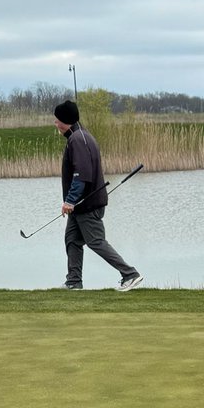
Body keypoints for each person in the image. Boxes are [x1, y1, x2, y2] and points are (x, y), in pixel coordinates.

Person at [52, 100, 143, 291]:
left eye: (57, 120)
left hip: (87, 204)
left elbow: (81, 175)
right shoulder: (80, 137)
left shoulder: (77, 139)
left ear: (65, 121)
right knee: (72, 240)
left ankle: (130, 274)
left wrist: (70, 200)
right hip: (81, 205)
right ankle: (74, 281)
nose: (55, 124)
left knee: (96, 242)